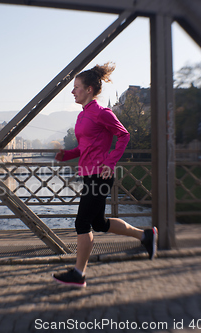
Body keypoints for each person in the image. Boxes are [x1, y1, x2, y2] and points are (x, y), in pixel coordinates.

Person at [52, 63, 157, 288]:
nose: (73, 91)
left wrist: (110, 162)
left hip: (101, 173)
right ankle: (145, 236)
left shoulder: (102, 113)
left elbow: (124, 135)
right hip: (89, 173)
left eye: (76, 87)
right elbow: (84, 148)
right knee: (98, 223)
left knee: (82, 222)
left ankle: (79, 273)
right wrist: (66, 154)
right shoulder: (82, 117)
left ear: (89, 89)